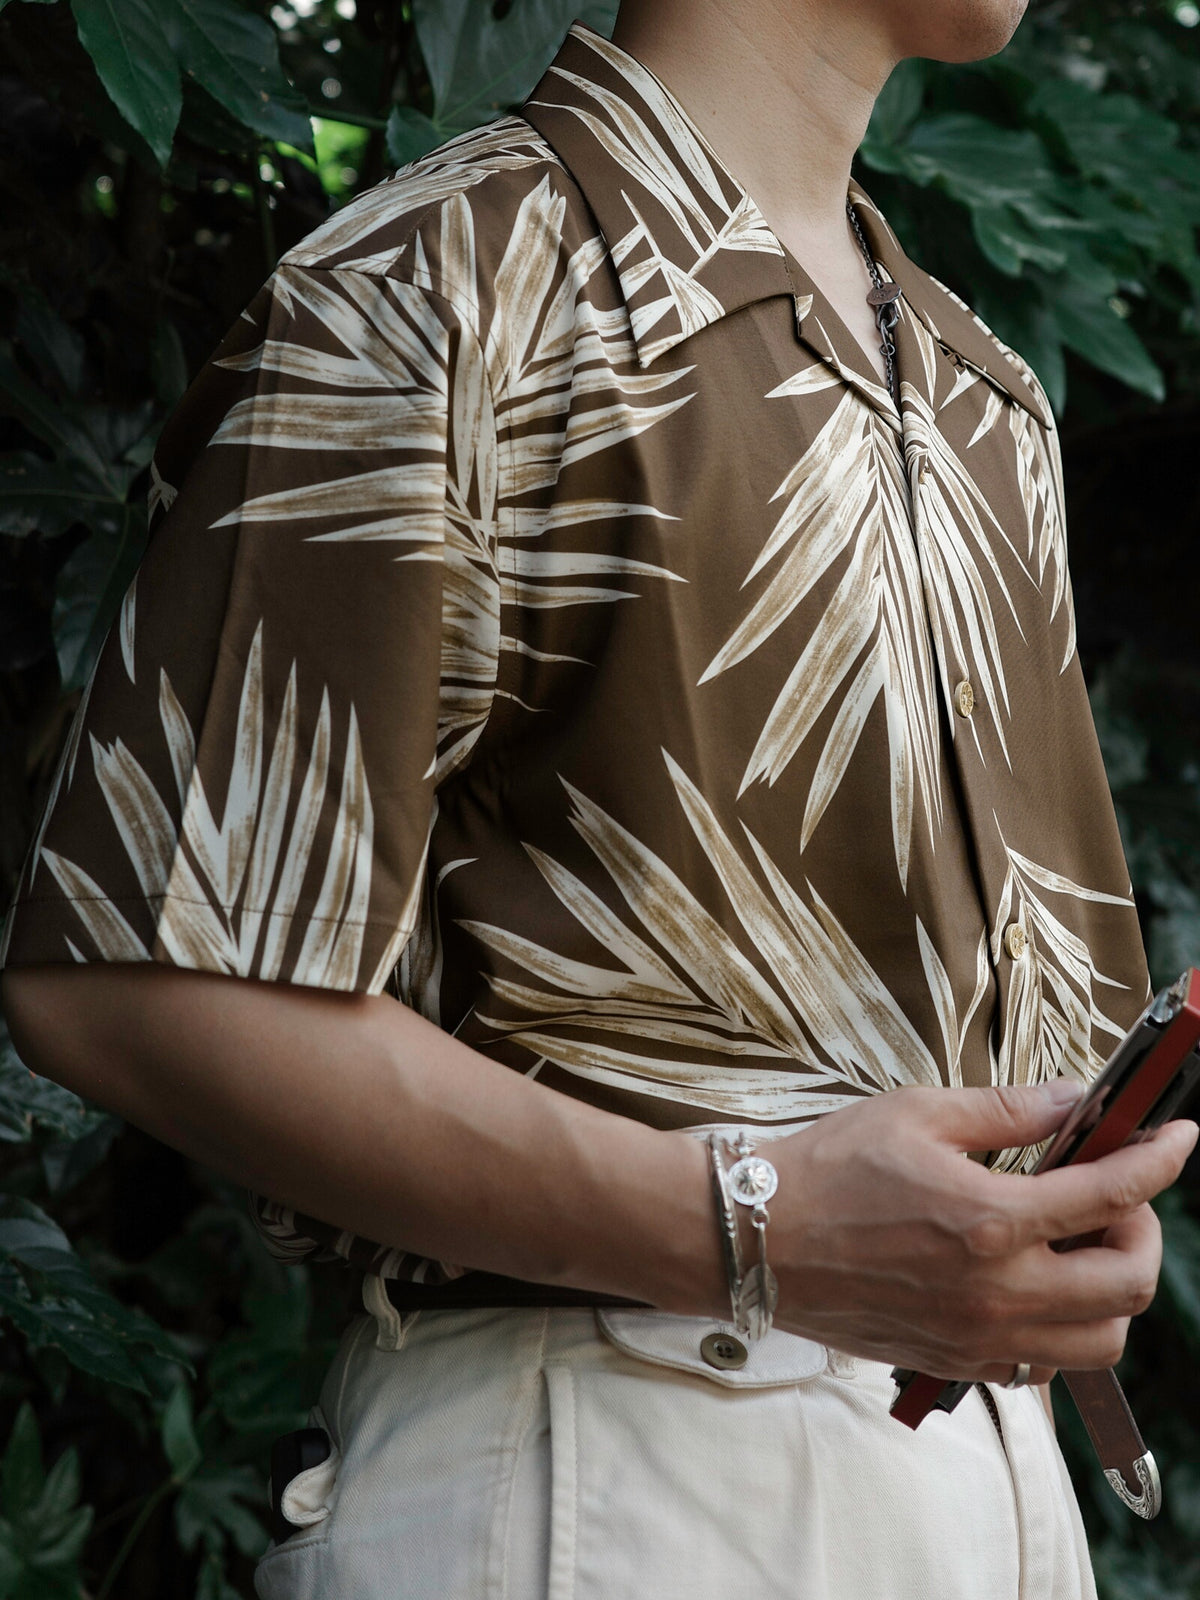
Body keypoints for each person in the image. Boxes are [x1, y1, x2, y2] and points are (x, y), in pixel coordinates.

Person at [1, 1, 1194, 1594]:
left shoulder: (989, 408)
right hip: (607, 1475)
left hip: (992, 1488)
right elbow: (135, 984)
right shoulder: (441, 287)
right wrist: (753, 1227)